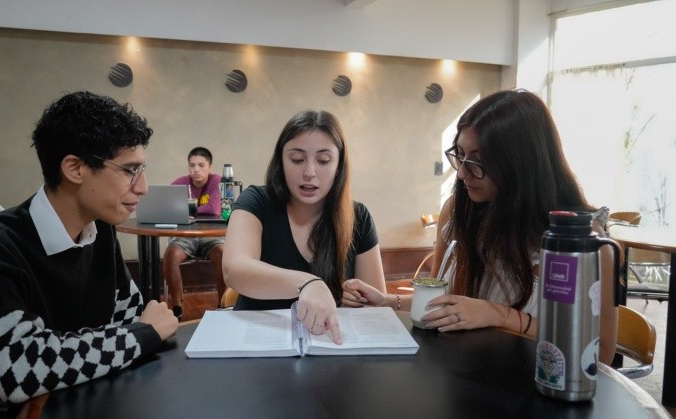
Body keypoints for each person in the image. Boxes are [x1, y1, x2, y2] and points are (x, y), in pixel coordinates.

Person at [0, 91, 178, 419]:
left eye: (142, 170)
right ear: (74, 168)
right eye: (129, 170)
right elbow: (18, 371)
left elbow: (131, 316)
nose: (143, 187)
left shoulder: (100, 230)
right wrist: (142, 335)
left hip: (74, 396)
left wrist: (140, 330)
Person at [343, 89, 618, 364]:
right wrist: (388, 301)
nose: (462, 173)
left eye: (477, 160)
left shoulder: (578, 239)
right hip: (466, 377)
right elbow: (445, 300)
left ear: (521, 162)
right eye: (460, 155)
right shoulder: (459, 210)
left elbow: (601, 352)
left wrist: (499, 315)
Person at [222, 110, 386, 345]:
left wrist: (354, 299)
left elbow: (375, 304)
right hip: (258, 348)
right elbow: (234, 269)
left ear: (339, 165)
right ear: (281, 161)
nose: (309, 172)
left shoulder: (358, 217)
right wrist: (308, 283)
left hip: (331, 349)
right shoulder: (256, 201)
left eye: (323, 161)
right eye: (297, 159)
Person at [162, 146, 226, 319]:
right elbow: (168, 205)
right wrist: (194, 209)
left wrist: (187, 209)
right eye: (192, 165)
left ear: (210, 167)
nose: (196, 170)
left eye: (201, 165)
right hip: (185, 235)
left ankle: (223, 304)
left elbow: (214, 208)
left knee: (224, 254)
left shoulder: (217, 181)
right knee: (170, 255)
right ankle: (177, 308)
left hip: (210, 236)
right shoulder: (180, 183)